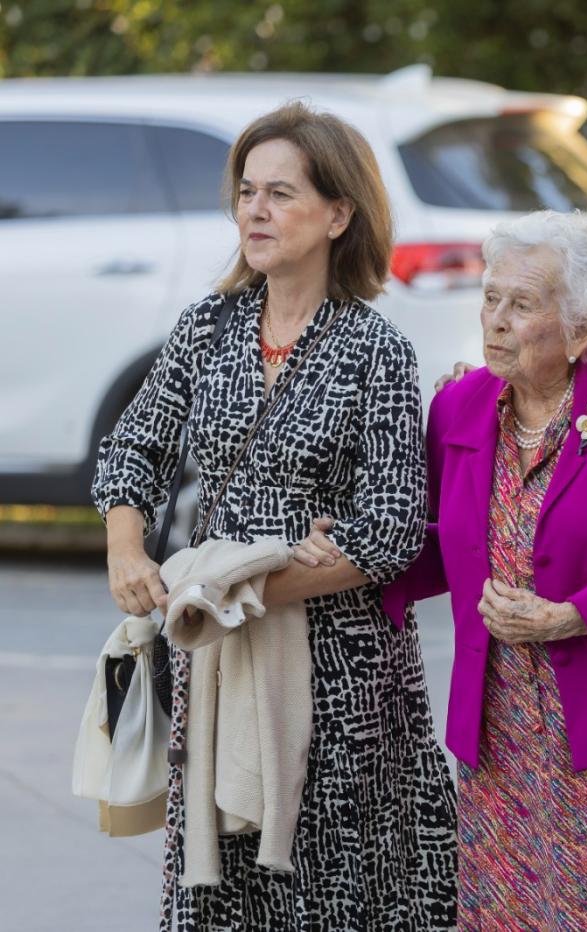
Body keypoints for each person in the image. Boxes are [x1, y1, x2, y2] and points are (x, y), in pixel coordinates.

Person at [92, 103, 455, 929]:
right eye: (247, 192)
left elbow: (392, 526)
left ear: (338, 214)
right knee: (220, 885)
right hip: (215, 654)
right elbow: (133, 448)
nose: (254, 210)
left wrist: (245, 585)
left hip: (338, 671)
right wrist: (127, 547)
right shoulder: (205, 328)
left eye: (279, 193)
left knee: (334, 882)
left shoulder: (376, 349)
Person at [382, 210, 587, 929]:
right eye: (491, 297)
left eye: (522, 304)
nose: (495, 320)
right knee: (506, 912)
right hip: (499, 726)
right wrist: (357, 559)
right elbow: (446, 544)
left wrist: (575, 616)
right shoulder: (459, 406)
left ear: (579, 327)